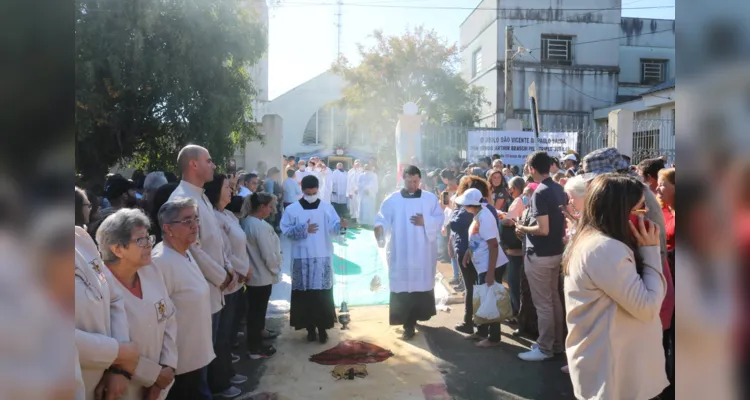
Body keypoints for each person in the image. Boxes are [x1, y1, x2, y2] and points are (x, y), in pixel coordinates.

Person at [563, 174, 668, 400]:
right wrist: (651, 251)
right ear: (620, 211)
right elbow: (648, 307)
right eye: (641, 208)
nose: (647, 214)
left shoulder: (599, 242)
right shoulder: (605, 248)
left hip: (616, 367)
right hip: (615, 375)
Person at [167, 145, 238, 398]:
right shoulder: (181, 198)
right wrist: (222, 276)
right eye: (209, 160)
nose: (214, 165)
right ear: (193, 164)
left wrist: (227, 268)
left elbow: (215, 240)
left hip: (214, 287)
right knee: (197, 367)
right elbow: (192, 247)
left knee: (210, 355)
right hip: (202, 290)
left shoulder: (201, 196)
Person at [95, 209, 178, 400]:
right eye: (141, 240)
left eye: (149, 237)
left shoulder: (151, 271)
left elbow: (169, 318)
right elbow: (108, 347)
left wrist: (168, 367)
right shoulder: (99, 288)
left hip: (161, 384)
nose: (150, 245)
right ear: (117, 249)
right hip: (122, 389)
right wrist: (153, 376)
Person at [151, 199, 215, 400]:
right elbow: (158, 318)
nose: (195, 225)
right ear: (168, 228)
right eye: (187, 221)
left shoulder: (185, 252)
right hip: (180, 364)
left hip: (197, 356)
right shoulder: (160, 261)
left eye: (195, 219)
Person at [374, 165, 444, 340]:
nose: (412, 184)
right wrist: (380, 229)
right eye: (409, 181)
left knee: (420, 285)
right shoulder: (393, 200)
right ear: (402, 180)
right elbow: (381, 219)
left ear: (419, 180)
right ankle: (407, 324)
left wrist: (425, 221)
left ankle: (418, 316)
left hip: (422, 251)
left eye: (415, 181)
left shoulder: (429, 199)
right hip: (401, 250)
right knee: (403, 286)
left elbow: (440, 218)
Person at [76, 225, 140, 400]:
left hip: (102, 388)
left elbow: (114, 297)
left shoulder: (80, 238)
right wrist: (118, 353)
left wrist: (119, 369)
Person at [280, 175, 346, 343]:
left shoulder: (326, 208)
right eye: (308, 193)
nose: (311, 196)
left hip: (322, 256)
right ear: (302, 191)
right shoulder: (292, 210)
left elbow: (334, 230)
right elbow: (285, 230)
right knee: (305, 296)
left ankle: (323, 329)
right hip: (301, 258)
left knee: (322, 294)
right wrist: (304, 229)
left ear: (318, 190)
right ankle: (309, 329)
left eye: (314, 192)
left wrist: (341, 226)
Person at [515, 151, 567, 362]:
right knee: (553, 300)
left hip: (541, 255)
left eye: (527, 166)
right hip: (555, 253)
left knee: (544, 303)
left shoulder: (540, 193)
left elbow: (543, 229)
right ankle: (555, 344)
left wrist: (522, 227)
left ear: (532, 169)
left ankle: (545, 347)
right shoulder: (558, 188)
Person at [204, 172, 249, 395]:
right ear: (215, 192)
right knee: (220, 338)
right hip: (228, 280)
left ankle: (228, 372)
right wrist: (242, 270)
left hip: (238, 280)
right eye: (226, 187)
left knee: (228, 334)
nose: (231, 191)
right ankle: (220, 383)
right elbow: (223, 253)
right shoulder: (213, 217)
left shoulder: (228, 215)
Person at [456, 188, 508, 348]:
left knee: (489, 299)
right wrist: (467, 254)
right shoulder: (479, 215)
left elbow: (493, 245)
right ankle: (482, 331)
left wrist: (491, 273)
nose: (463, 207)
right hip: (483, 265)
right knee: (483, 298)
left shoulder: (484, 217)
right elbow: (476, 240)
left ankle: (494, 337)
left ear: (471, 205)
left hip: (489, 265)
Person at [241, 193, 282, 359]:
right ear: (262, 207)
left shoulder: (247, 222)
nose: (272, 210)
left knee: (255, 313)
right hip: (261, 276)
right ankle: (255, 348)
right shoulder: (260, 227)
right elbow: (268, 254)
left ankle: (256, 340)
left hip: (254, 274)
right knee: (257, 314)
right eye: (270, 206)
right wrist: (276, 270)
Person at [500, 176, 526, 318]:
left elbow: (509, 221)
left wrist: (501, 218)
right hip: (522, 245)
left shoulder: (518, 200)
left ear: (515, 188)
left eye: (510, 189)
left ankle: (516, 312)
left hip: (514, 246)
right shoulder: (527, 199)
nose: (509, 191)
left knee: (513, 281)